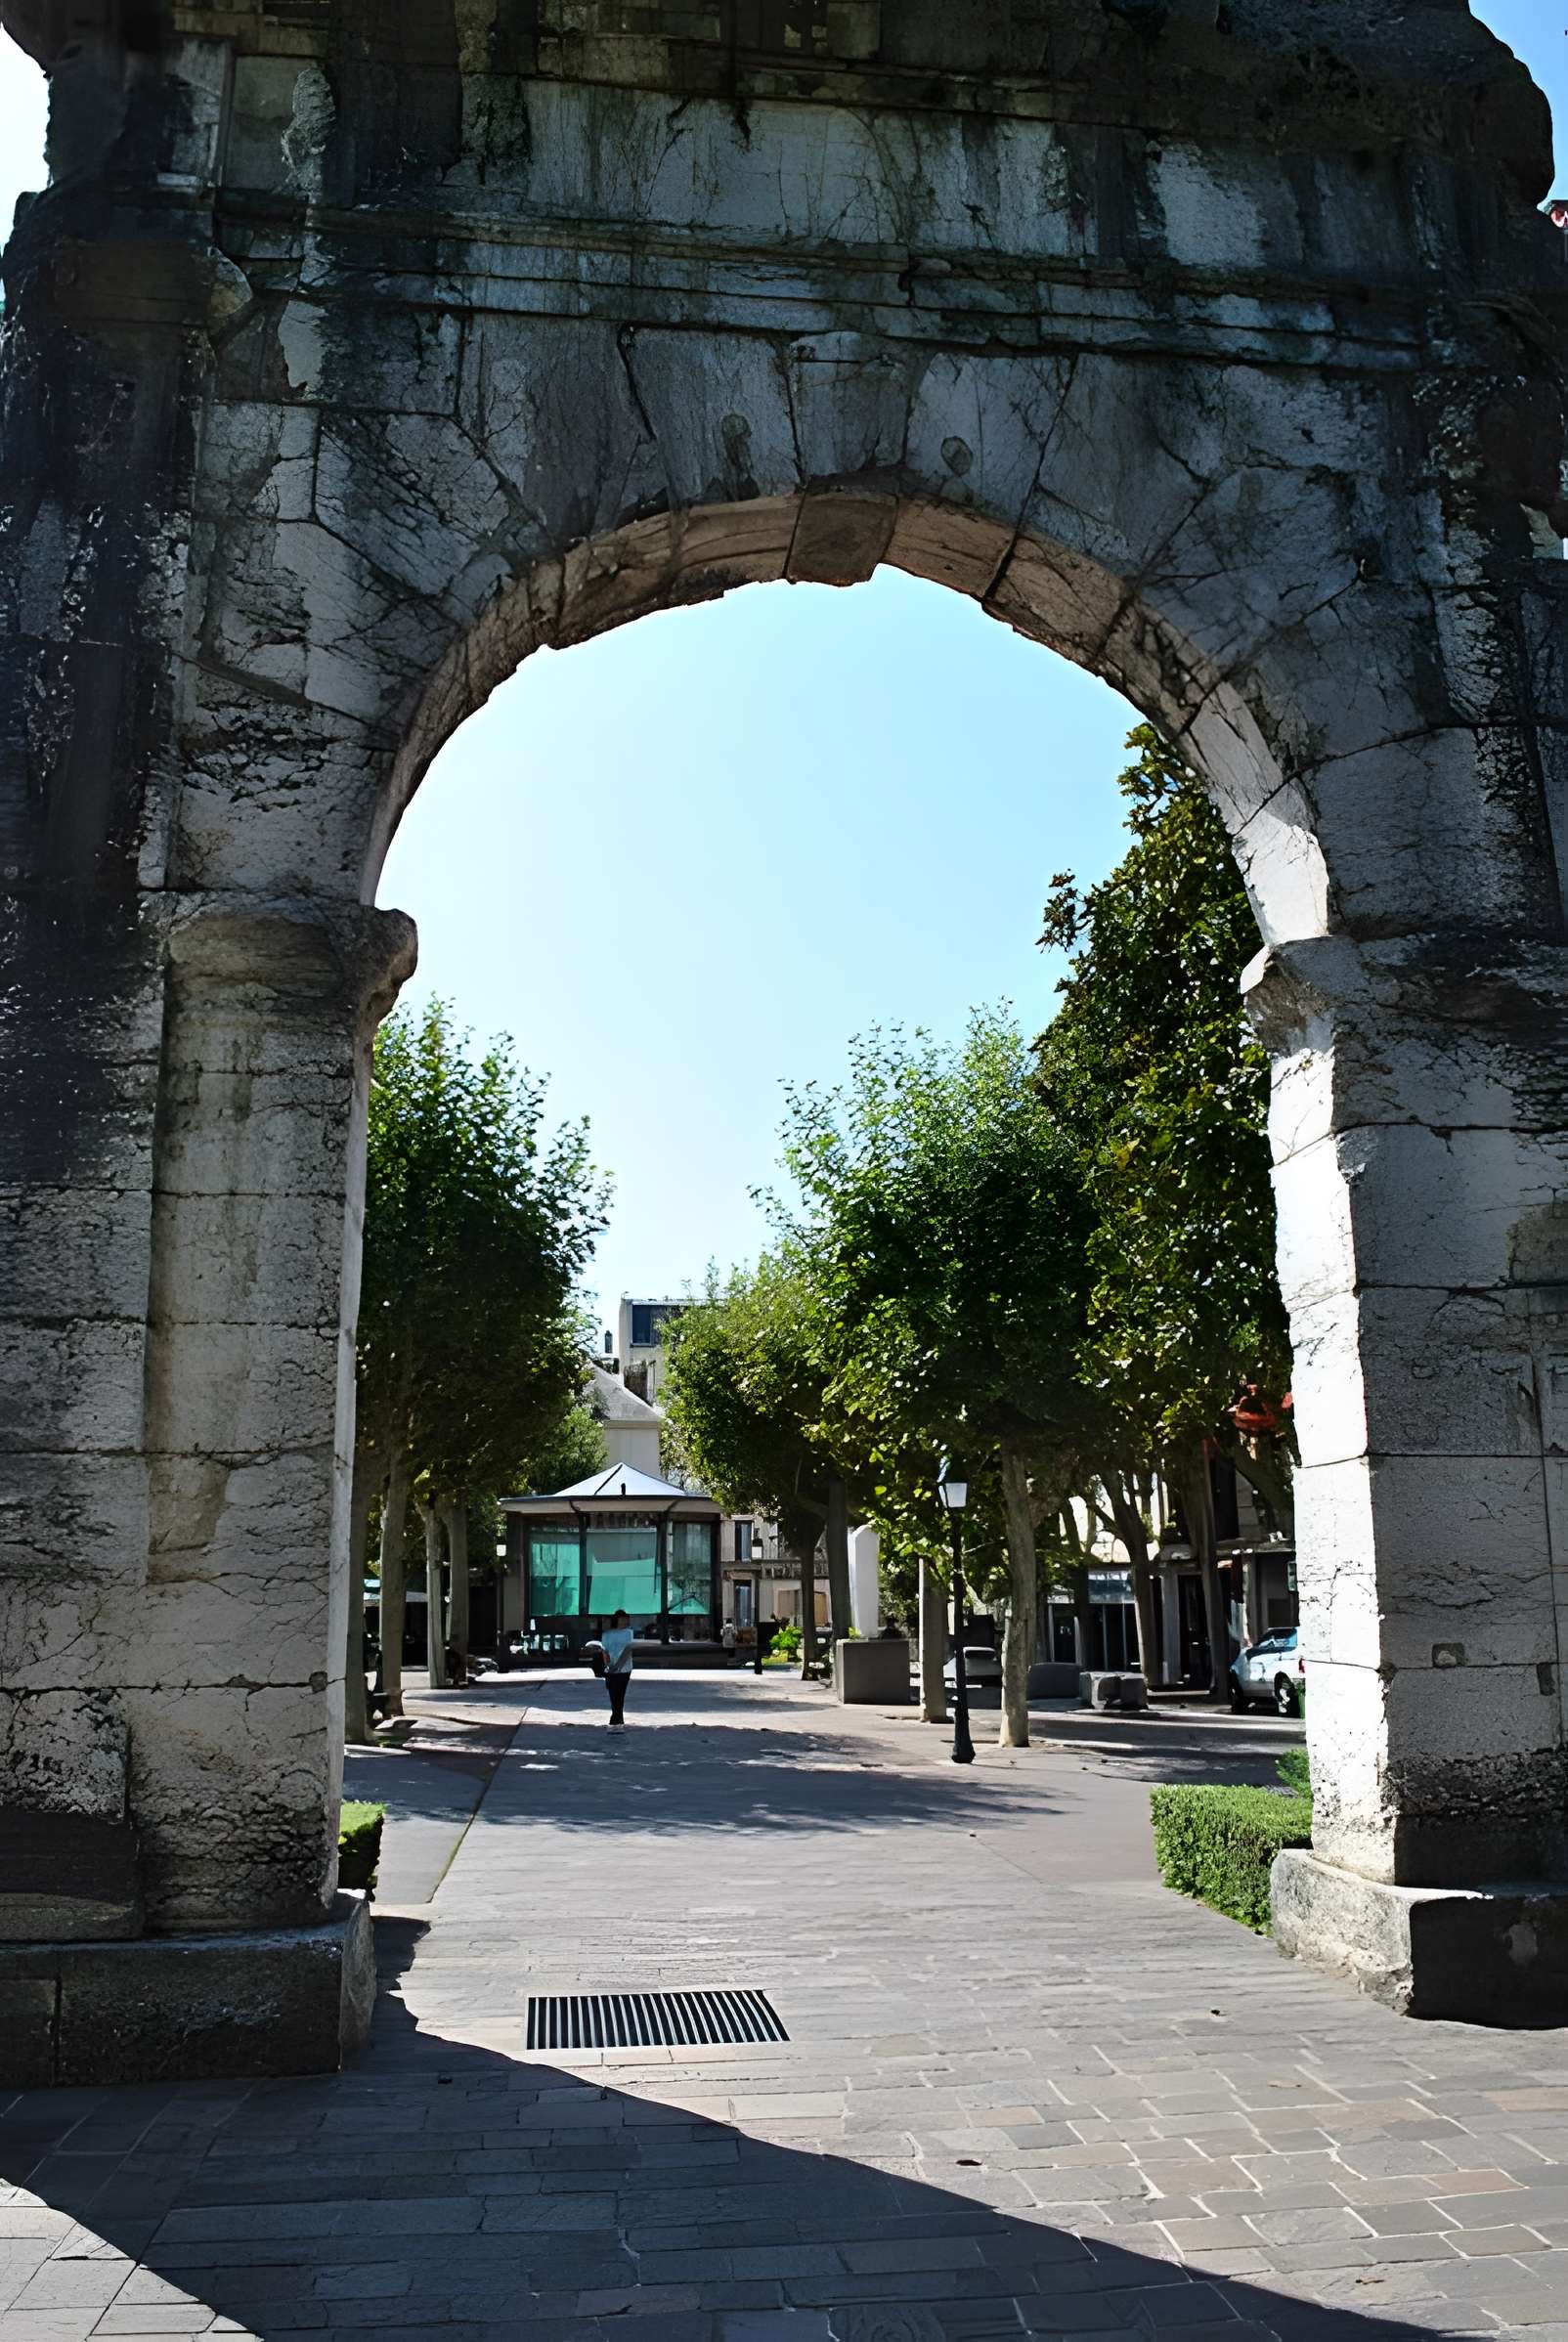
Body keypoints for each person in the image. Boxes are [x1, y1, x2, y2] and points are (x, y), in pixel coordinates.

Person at [601, 1608, 634, 1728]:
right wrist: (609, 1665)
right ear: (617, 1620)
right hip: (610, 1668)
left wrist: (618, 1666)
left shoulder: (629, 1633)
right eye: (623, 1619)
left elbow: (628, 1650)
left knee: (619, 1693)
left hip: (624, 1668)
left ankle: (616, 1718)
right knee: (613, 1693)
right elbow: (604, 1651)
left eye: (626, 1619)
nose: (625, 1621)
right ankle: (617, 1717)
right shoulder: (607, 1634)